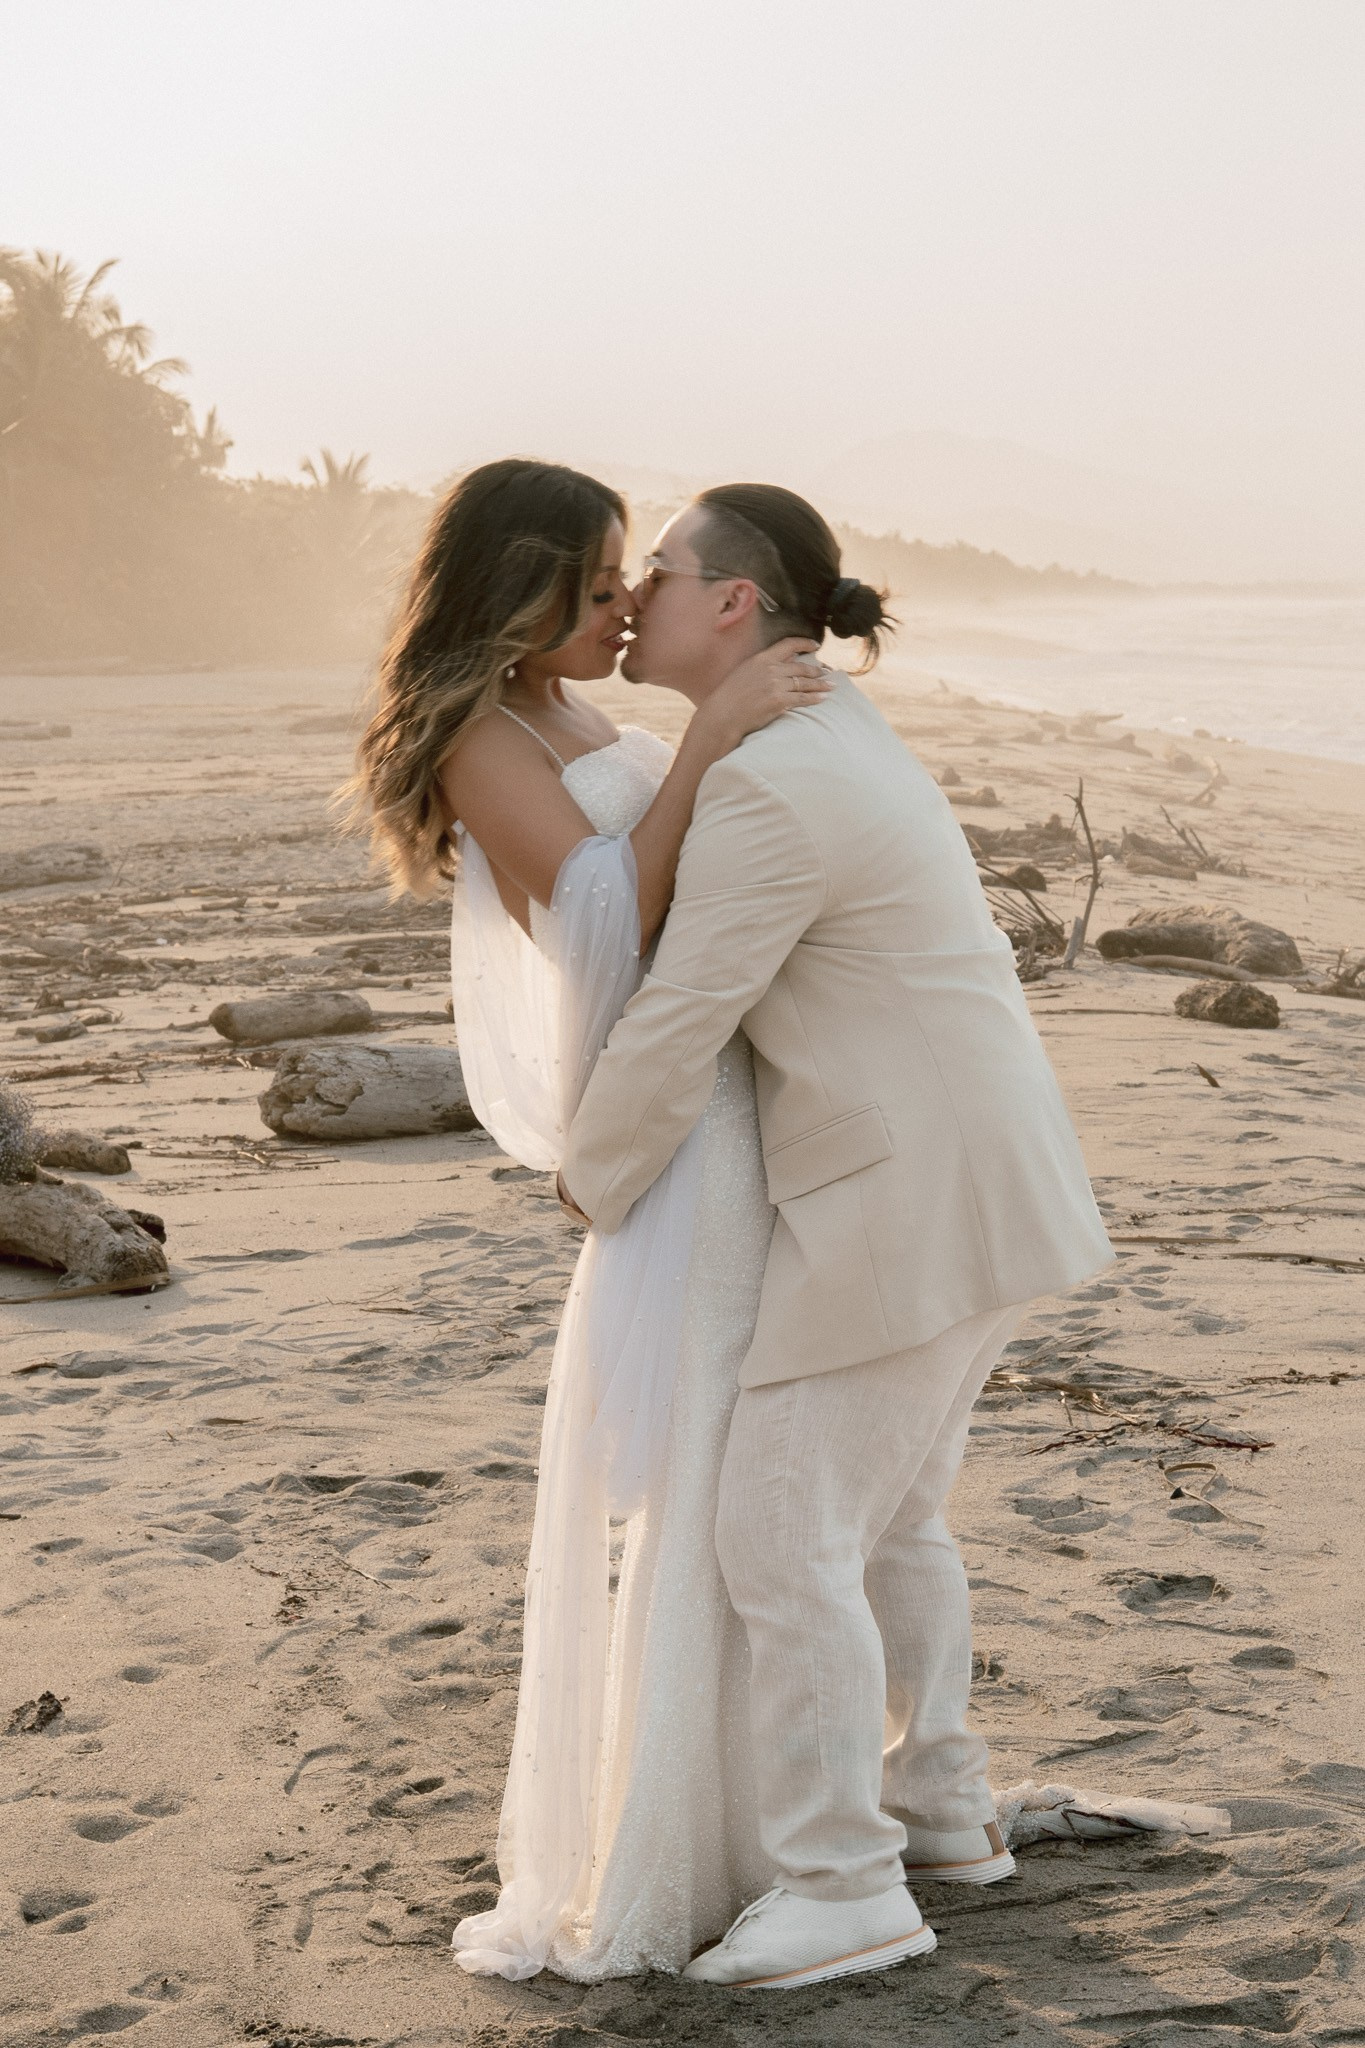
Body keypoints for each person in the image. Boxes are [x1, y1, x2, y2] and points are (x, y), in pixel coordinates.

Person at [556, 483, 1115, 1990]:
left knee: (779, 1529)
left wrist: (587, 1179)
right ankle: (939, 1808)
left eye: (661, 570)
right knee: (893, 1519)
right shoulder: (830, 736)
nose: (637, 594)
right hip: (988, 1181)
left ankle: (844, 1882)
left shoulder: (774, 779)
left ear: (734, 602)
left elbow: (687, 1007)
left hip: (907, 1201)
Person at [348, 457, 828, 1981]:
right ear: (524, 583)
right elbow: (604, 913)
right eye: (601, 579)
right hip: (671, 1128)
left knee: (748, 1458)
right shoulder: (476, 737)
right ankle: (676, 1848)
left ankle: (765, 1818)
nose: (625, 604)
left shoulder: (571, 714)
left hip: (725, 1095)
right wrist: (711, 736)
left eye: (634, 577)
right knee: (698, 1465)